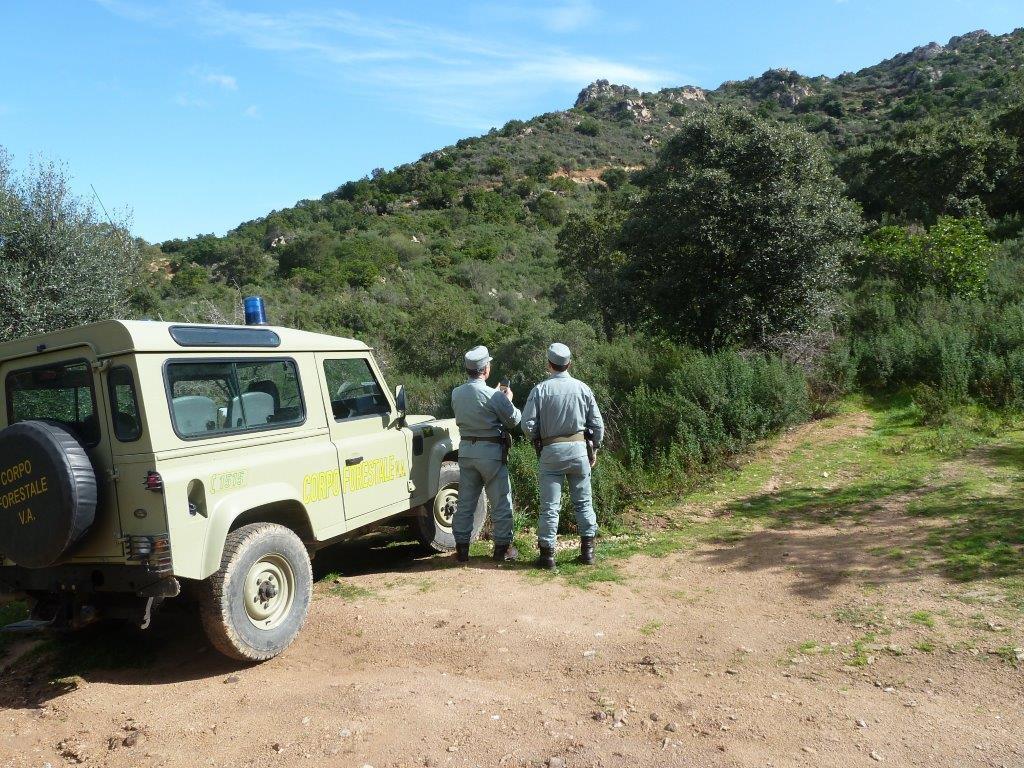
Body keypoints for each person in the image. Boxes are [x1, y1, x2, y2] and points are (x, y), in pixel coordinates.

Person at [522, 343, 604, 570]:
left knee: (550, 506)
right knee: (584, 502)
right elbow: (597, 424)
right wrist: (594, 448)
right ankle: (588, 552)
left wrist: (539, 439)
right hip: (579, 451)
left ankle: (547, 556)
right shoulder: (583, 388)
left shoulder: (539, 390)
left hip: (551, 452)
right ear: (569, 363)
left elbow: (527, 424)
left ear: (549, 364)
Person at [450, 345, 522, 563]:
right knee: (500, 502)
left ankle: (462, 550)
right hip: (491, 453)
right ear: (486, 369)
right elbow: (514, 420)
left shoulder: (456, 393)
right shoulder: (495, 395)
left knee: (465, 504)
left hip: (466, 453)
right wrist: (507, 399)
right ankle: (502, 550)